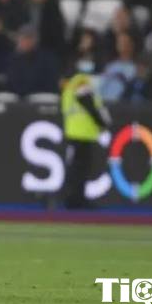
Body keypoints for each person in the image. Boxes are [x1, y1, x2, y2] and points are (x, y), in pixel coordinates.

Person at [61, 70, 111, 209]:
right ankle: (75, 200)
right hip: (81, 133)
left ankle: (76, 199)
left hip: (77, 132)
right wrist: (101, 122)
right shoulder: (81, 81)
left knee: (79, 169)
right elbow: (87, 102)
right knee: (80, 169)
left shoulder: (71, 84)